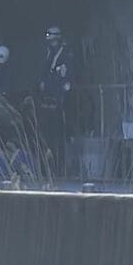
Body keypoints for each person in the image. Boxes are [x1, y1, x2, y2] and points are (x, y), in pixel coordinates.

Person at [36, 26, 74, 176]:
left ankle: (59, 168)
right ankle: (47, 169)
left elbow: (65, 77)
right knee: (46, 136)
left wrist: (52, 86)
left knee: (58, 137)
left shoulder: (65, 54)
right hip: (47, 100)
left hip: (59, 101)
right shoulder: (49, 53)